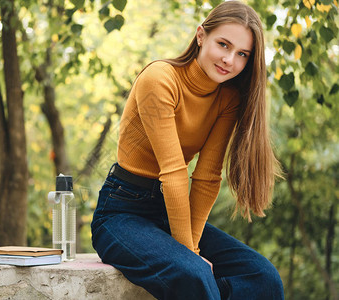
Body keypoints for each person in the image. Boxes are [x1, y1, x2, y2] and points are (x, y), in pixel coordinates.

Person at [91, 1, 284, 299]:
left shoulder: (228, 98)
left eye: (242, 54)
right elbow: (173, 172)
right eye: (223, 44)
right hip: (121, 212)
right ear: (200, 36)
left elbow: (207, 177)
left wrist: (190, 248)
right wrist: (191, 255)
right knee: (194, 274)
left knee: (263, 278)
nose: (229, 60)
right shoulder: (160, 79)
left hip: (174, 215)